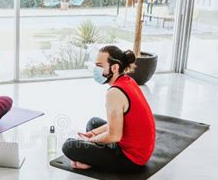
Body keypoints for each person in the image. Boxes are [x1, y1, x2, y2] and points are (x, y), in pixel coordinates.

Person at [62, 45, 156, 173]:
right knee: (93, 123)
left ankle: (92, 162)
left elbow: (114, 135)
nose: (96, 70)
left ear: (115, 68)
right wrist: (94, 133)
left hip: (131, 160)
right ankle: (93, 156)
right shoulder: (127, 80)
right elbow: (119, 124)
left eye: (100, 66)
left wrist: (90, 140)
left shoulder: (114, 93)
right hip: (139, 150)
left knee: (69, 147)